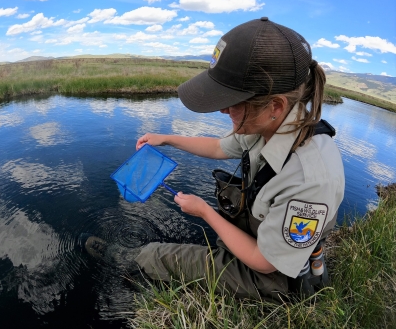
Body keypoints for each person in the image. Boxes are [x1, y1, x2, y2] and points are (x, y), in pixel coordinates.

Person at [131, 17, 345, 302]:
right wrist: (166, 138)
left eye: (231, 101)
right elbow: (219, 147)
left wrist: (205, 212)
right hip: (260, 245)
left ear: (275, 105)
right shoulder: (272, 124)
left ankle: (130, 261)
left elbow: (265, 261)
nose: (221, 111)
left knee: (154, 256)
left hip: (271, 275)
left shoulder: (311, 179)